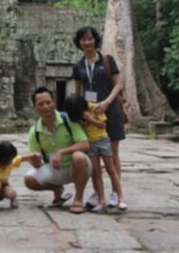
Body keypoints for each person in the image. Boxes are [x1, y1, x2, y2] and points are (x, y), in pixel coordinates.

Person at [71, 25, 126, 209]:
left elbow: (118, 85)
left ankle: (115, 193)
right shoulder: (78, 66)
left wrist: (107, 102)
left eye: (90, 39)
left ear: (96, 40)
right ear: (79, 43)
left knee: (113, 154)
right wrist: (80, 114)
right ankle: (98, 192)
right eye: (83, 39)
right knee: (93, 154)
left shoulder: (107, 60)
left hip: (109, 111)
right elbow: (78, 92)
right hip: (90, 115)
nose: (87, 42)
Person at [24, 86, 92, 214]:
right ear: (35, 107)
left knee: (78, 156)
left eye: (48, 102)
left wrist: (62, 152)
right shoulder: (35, 131)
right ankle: (57, 189)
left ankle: (78, 198)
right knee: (29, 180)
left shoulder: (68, 120)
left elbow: (84, 144)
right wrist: (35, 161)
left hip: (77, 167)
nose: (45, 107)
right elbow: (37, 162)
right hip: (55, 169)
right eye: (40, 104)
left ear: (54, 103)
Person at [64, 94, 127, 211]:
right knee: (96, 172)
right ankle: (101, 199)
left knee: (111, 169)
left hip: (102, 140)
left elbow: (102, 125)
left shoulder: (94, 107)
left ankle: (120, 198)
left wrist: (89, 119)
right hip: (91, 144)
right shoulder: (76, 116)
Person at [0, 141, 36, 210]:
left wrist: (32, 156)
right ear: (4, 159)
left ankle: (13, 199)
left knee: (12, 193)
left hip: (3, 187)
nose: (12, 161)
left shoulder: (8, 164)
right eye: (10, 159)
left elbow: (21, 159)